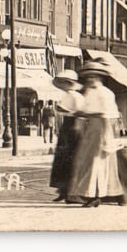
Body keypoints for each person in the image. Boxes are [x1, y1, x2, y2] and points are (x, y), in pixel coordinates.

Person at [67, 62, 125, 206]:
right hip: (90, 127)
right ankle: (94, 194)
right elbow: (84, 108)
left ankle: (95, 195)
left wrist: (107, 135)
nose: (90, 79)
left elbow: (110, 113)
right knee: (87, 161)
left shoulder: (105, 93)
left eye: (93, 76)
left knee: (96, 161)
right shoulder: (89, 92)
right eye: (88, 77)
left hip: (101, 127)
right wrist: (80, 114)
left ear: (99, 77)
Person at [48, 70, 84, 201]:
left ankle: (70, 191)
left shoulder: (75, 96)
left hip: (73, 126)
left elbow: (79, 111)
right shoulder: (68, 95)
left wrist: (61, 109)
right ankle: (63, 189)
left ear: (69, 83)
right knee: (62, 159)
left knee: (68, 158)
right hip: (68, 126)